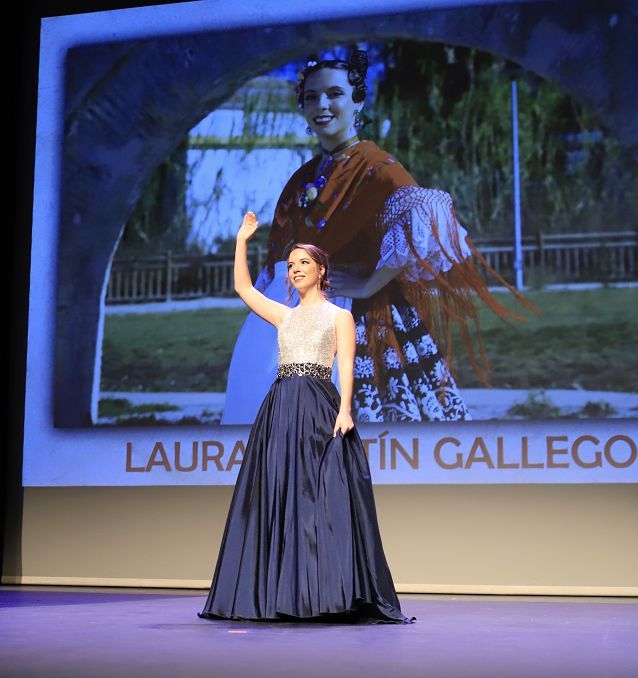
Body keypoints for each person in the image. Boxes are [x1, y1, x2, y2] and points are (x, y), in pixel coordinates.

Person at [221, 50, 533, 425]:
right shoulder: (301, 178)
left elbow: (424, 219)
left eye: (334, 94)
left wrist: (370, 284)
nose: (322, 105)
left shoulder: (376, 167)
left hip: (361, 321)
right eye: (312, 97)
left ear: (358, 102)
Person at [198, 211, 412, 623]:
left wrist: (345, 409)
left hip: (318, 404)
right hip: (280, 405)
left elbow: (345, 365)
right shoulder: (285, 315)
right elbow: (243, 287)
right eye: (292, 265)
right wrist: (243, 239)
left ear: (321, 270)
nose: (295, 270)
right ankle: (278, 595)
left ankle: (324, 594)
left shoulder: (339, 316)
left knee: (319, 500)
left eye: (303, 264)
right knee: (277, 494)